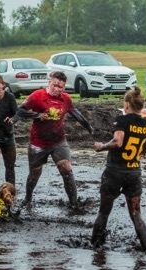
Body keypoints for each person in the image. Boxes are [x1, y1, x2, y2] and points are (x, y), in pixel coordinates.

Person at [91, 86, 146, 251]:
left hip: (114, 172)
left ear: (127, 104)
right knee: (136, 214)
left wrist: (101, 147)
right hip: (134, 174)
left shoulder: (122, 120)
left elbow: (117, 142)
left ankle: (94, 248)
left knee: (104, 212)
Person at [19, 71, 93, 209]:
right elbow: (20, 111)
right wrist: (37, 115)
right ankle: (27, 198)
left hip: (58, 141)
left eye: (61, 87)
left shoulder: (65, 99)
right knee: (35, 174)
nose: (57, 89)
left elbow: (75, 113)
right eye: (55, 85)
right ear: (49, 83)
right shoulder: (37, 96)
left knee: (66, 168)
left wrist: (88, 126)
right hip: (38, 143)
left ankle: (74, 203)